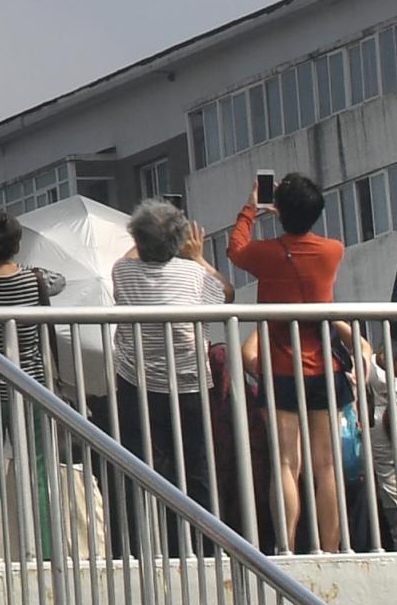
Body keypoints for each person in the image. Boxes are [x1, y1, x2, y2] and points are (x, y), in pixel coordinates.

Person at [223, 176, 348, 551]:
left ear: (278, 210)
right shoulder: (333, 251)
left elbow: (235, 249)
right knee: (327, 465)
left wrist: (251, 208)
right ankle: (331, 549)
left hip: (279, 368)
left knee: (286, 463)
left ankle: (287, 546)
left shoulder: (266, 254)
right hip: (325, 367)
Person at [102, 200, 225, 545]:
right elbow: (225, 293)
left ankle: (146, 544)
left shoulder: (123, 271)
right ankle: (204, 545)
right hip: (189, 383)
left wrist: (145, 239)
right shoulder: (194, 275)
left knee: (141, 465)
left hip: (137, 382)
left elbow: (130, 256)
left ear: (138, 240)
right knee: (196, 466)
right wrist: (197, 256)